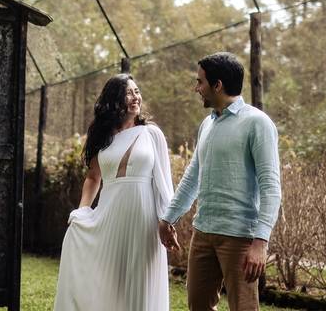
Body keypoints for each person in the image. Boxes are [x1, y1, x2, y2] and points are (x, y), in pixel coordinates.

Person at [158, 52, 281, 311]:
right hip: (203, 232)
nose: (197, 88)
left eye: (200, 82)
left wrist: (260, 242)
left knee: (243, 308)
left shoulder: (257, 123)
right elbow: (193, 176)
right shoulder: (207, 124)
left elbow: (271, 187)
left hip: (239, 237)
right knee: (198, 305)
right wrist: (168, 218)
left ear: (218, 85)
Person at [53, 73, 174, 311]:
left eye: (137, 91)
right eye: (128, 93)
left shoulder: (152, 134)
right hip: (109, 217)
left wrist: (167, 220)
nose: (135, 97)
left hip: (144, 220)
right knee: (109, 283)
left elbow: (164, 184)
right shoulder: (103, 136)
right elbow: (93, 177)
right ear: (114, 99)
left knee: (141, 284)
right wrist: (82, 210)